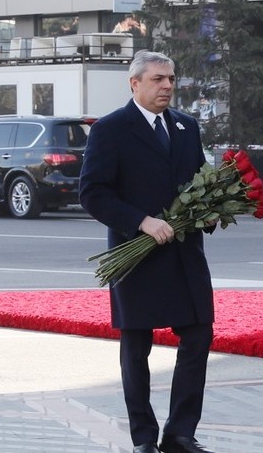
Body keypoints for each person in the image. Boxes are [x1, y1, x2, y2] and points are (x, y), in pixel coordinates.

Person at [79, 51, 215, 453]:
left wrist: (209, 211)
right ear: (134, 83)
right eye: (158, 79)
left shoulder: (186, 127)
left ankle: (180, 433)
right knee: (136, 346)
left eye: (171, 79)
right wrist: (141, 222)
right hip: (136, 255)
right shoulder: (110, 129)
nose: (168, 86)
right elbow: (93, 193)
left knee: (199, 335)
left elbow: (198, 182)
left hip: (185, 254)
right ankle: (143, 437)